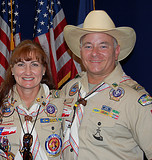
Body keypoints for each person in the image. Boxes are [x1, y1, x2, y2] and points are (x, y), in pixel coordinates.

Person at [61, 10, 152, 160]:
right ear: (80, 51)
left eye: (103, 46)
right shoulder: (69, 89)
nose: (94, 53)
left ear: (116, 52)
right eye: (88, 46)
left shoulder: (135, 99)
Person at [0, 40, 65, 160]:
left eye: (34, 64)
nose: (28, 71)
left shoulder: (61, 101)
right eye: (21, 64)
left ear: (44, 69)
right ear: (12, 70)